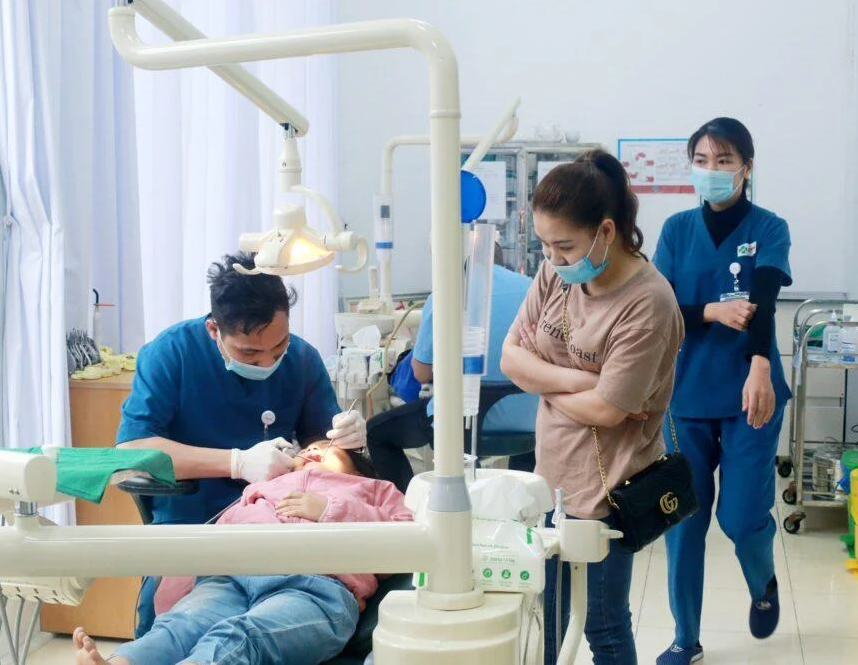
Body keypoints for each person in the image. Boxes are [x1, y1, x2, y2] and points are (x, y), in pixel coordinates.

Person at [116, 252, 368, 635]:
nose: (267, 363)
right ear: (214, 330)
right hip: (195, 523)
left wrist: (345, 443)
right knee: (181, 623)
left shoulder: (301, 359)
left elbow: (325, 449)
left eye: (278, 347)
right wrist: (236, 462)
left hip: (279, 523)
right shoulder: (171, 354)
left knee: (289, 618)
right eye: (249, 352)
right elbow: (132, 451)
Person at [501, 149, 683, 665]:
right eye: (544, 245)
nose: (554, 259)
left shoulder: (648, 303)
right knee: (551, 614)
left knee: (603, 624)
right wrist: (581, 381)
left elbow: (607, 412)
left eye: (564, 245)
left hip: (609, 489)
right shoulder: (556, 273)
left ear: (606, 231)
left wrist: (543, 380)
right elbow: (511, 358)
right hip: (552, 477)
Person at [652, 118, 792, 665]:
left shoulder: (769, 227)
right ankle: (685, 639)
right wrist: (710, 310)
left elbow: (765, 300)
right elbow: (662, 311)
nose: (712, 170)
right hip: (686, 397)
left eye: (725, 160)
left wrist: (760, 366)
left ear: (746, 167)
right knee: (684, 522)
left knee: (739, 518)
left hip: (750, 396)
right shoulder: (676, 230)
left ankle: (763, 583)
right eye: (702, 160)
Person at [73, 442, 413, 665]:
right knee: (179, 626)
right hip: (231, 578)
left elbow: (406, 540)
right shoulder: (262, 488)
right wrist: (177, 593)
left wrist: (330, 509)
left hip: (314, 587)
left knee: (240, 636)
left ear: (359, 468)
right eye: (308, 448)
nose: (313, 451)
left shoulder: (375, 490)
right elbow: (215, 541)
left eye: (327, 449)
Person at [370, 242, 540, 491]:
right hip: (531, 422)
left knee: (376, 433)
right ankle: (524, 505)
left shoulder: (447, 292)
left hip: (463, 423)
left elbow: (421, 372)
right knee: (526, 458)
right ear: (502, 261)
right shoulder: (533, 289)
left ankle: (406, 508)